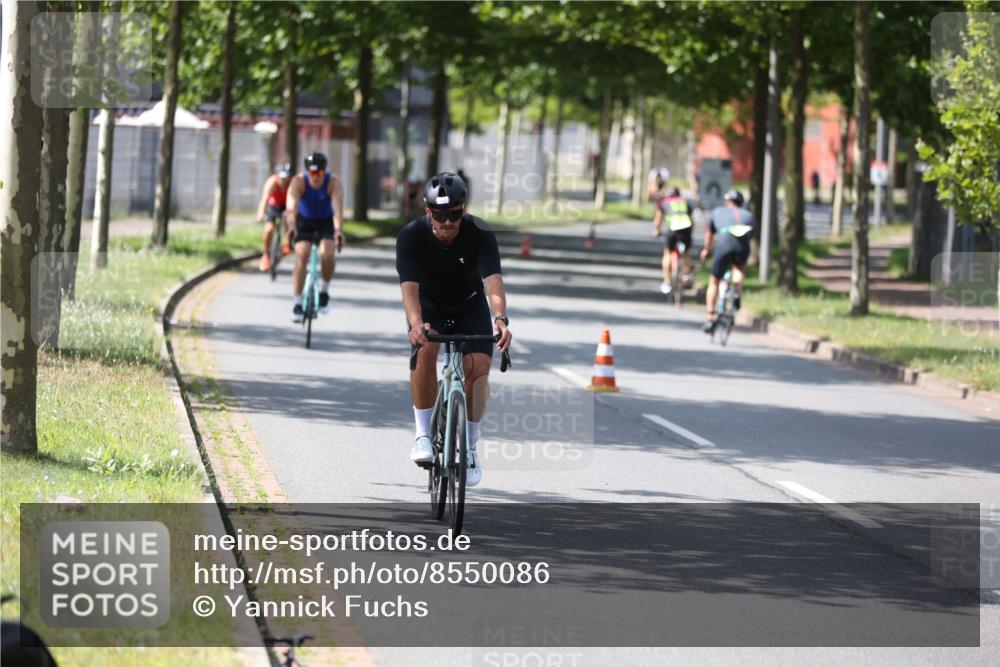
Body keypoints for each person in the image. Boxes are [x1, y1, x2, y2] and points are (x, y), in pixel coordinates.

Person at [396, 172, 513, 487]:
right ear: (427, 211)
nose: (447, 222)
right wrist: (416, 324)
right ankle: (422, 435)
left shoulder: (480, 233)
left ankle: (471, 446)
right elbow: (409, 290)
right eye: (439, 214)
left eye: (454, 214)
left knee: (479, 367)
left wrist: (500, 318)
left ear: (465, 208)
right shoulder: (410, 236)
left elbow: (493, 283)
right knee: (426, 350)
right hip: (428, 306)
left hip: (468, 305)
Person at [284, 152, 346, 322]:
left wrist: (338, 230)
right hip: (304, 221)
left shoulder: (333, 182)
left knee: (327, 252)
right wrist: (291, 227)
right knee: (301, 254)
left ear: (324, 172)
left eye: (319, 173)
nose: (315, 177)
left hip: (326, 221)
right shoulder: (298, 182)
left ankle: (324, 291)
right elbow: (292, 207)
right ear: (307, 172)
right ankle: (297, 303)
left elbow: (337, 209)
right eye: (312, 173)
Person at [700, 190, 755, 333]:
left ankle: (710, 317)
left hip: (725, 243)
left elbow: (710, 235)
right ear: (741, 203)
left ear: (726, 202)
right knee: (739, 268)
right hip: (742, 245)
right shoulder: (748, 215)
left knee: (714, 281)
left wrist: (707, 250)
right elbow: (751, 235)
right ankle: (736, 291)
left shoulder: (718, 212)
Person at [652, 185, 694, 294]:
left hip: (672, 230)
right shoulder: (685, 202)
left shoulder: (664, 202)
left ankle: (667, 282)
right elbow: (691, 220)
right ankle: (687, 274)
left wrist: (657, 230)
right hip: (686, 229)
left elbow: (658, 219)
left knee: (667, 253)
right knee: (686, 253)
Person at [255, 163, 292, 272]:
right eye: (281, 177)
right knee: (268, 229)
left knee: (289, 221)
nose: (283, 180)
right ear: (277, 175)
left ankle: (287, 244)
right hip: (274, 206)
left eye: (286, 177)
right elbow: (264, 199)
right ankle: (266, 255)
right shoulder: (272, 182)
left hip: (288, 205)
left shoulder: (292, 183)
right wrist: (260, 213)